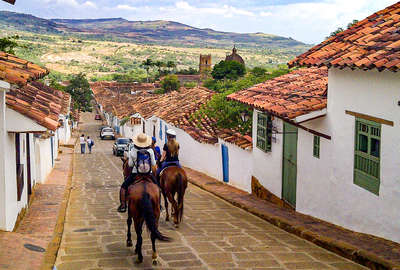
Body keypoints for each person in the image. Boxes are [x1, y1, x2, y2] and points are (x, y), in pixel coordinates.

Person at [117, 133, 157, 213]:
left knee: (123, 187)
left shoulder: (133, 150)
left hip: (136, 173)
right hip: (149, 174)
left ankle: (123, 205)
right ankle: (159, 204)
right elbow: (153, 163)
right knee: (158, 187)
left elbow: (130, 164)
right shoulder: (150, 150)